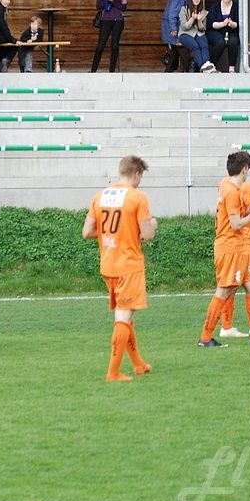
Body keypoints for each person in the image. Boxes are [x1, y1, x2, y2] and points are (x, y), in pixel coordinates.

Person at [82, 155, 158, 381]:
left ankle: (138, 364)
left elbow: (87, 232)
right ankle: (113, 372)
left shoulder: (100, 196)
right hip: (129, 265)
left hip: (108, 264)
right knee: (123, 316)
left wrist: (113, 235)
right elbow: (147, 234)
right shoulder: (137, 197)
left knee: (127, 314)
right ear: (136, 174)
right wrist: (152, 225)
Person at [198, 151, 250, 348]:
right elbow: (235, 224)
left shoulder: (225, 184)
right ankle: (205, 337)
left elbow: (237, 215)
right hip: (230, 248)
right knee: (225, 291)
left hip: (240, 247)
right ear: (244, 169)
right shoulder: (232, 192)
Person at [220, 175, 250, 339]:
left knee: (232, 285)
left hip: (240, 241)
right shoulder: (245, 187)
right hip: (245, 242)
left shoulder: (227, 183)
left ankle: (226, 326)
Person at [91, 0, 127, 73]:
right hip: (106, 20)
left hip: (118, 21)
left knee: (115, 46)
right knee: (100, 46)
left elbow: (124, 6)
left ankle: (112, 72)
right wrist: (108, 0)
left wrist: (113, 1)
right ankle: (93, 71)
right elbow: (98, 5)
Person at [178, 0, 216, 73]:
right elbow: (184, 27)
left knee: (204, 44)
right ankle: (203, 67)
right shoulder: (183, 9)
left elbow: (202, 29)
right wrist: (192, 18)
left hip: (198, 33)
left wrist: (199, 20)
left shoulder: (203, 12)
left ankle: (206, 63)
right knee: (195, 46)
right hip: (185, 34)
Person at [206, 0, 240, 73]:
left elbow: (238, 24)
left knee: (233, 42)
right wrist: (223, 24)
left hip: (231, 31)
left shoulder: (236, 7)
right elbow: (212, 24)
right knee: (220, 42)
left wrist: (231, 23)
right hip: (216, 31)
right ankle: (212, 66)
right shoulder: (215, 6)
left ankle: (231, 68)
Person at [161, 0, 190, 73]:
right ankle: (190, 69)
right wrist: (173, 29)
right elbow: (172, 14)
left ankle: (168, 71)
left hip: (174, 27)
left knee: (175, 51)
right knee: (181, 48)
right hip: (173, 28)